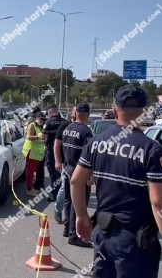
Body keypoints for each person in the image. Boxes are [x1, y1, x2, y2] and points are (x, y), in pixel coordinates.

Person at [71, 85, 162, 278]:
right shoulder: (151, 150)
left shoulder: (96, 142)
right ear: (144, 113)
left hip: (103, 235)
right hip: (134, 244)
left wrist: (81, 215)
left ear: (115, 111)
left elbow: (75, 181)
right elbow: (160, 202)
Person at [60, 102, 93, 247]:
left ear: (76, 113)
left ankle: (67, 229)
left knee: (68, 200)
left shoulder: (68, 128)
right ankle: (74, 235)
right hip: (79, 174)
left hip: (67, 169)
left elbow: (60, 147)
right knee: (78, 204)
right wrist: (91, 175)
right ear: (88, 115)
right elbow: (89, 156)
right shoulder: (86, 132)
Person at [53, 106, 76, 224]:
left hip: (79, 165)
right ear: (72, 113)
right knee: (64, 187)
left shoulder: (84, 128)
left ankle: (73, 216)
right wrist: (57, 160)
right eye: (75, 110)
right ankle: (58, 209)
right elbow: (56, 145)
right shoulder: (65, 126)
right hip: (66, 164)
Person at [42, 104, 66, 202]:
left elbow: (43, 137)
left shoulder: (48, 123)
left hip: (52, 151)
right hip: (64, 152)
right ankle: (64, 193)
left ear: (50, 112)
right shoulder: (65, 122)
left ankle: (54, 194)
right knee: (63, 174)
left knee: (53, 174)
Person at [21, 111, 46, 197]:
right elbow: (29, 136)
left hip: (36, 153)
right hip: (31, 152)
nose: (42, 120)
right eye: (41, 118)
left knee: (32, 173)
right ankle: (29, 190)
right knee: (30, 173)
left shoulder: (39, 127)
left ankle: (31, 188)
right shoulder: (32, 125)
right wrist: (39, 137)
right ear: (36, 118)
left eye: (44, 119)